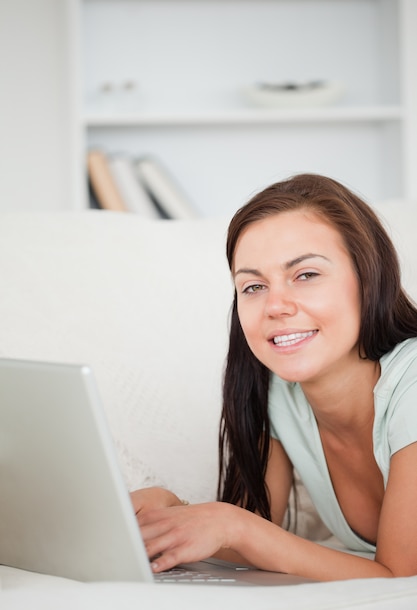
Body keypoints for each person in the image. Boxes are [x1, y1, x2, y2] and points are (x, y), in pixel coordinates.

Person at [131, 173, 417, 581]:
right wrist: (176, 515)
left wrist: (233, 524)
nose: (275, 306)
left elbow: (403, 578)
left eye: (306, 275)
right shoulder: (280, 391)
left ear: (370, 280)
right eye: (252, 286)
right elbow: (252, 535)